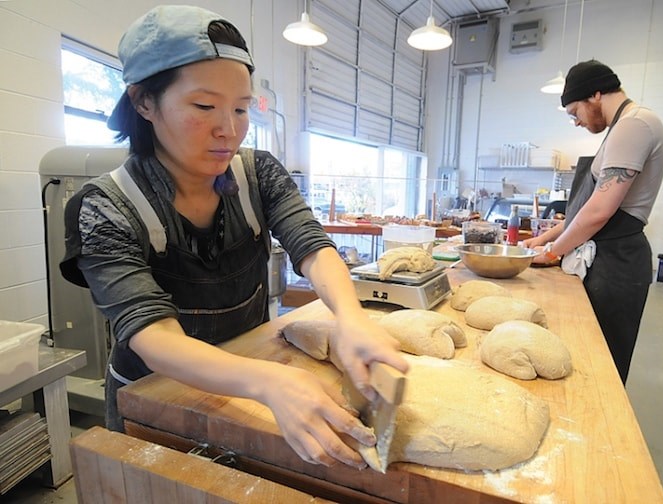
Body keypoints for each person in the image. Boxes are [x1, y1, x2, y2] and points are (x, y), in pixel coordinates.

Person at [59, 5, 408, 469]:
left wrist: (350, 315)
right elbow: (152, 335)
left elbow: (311, 245)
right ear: (144, 103)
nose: (229, 129)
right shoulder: (105, 207)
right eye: (204, 107)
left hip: (249, 379)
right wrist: (267, 382)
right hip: (156, 398)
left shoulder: (256, 174)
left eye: (241, 108)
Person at [523, 60, 663, 384]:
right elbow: (586, 207)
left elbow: (601, 210)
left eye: (575, 112)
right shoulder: (623, 127)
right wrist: (545, 239)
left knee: (602, 365)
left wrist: (552, 253)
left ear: (595, 95)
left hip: (616, 263)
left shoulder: (636, 124)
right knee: (588, 356)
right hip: (607, 256)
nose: (575, 122)